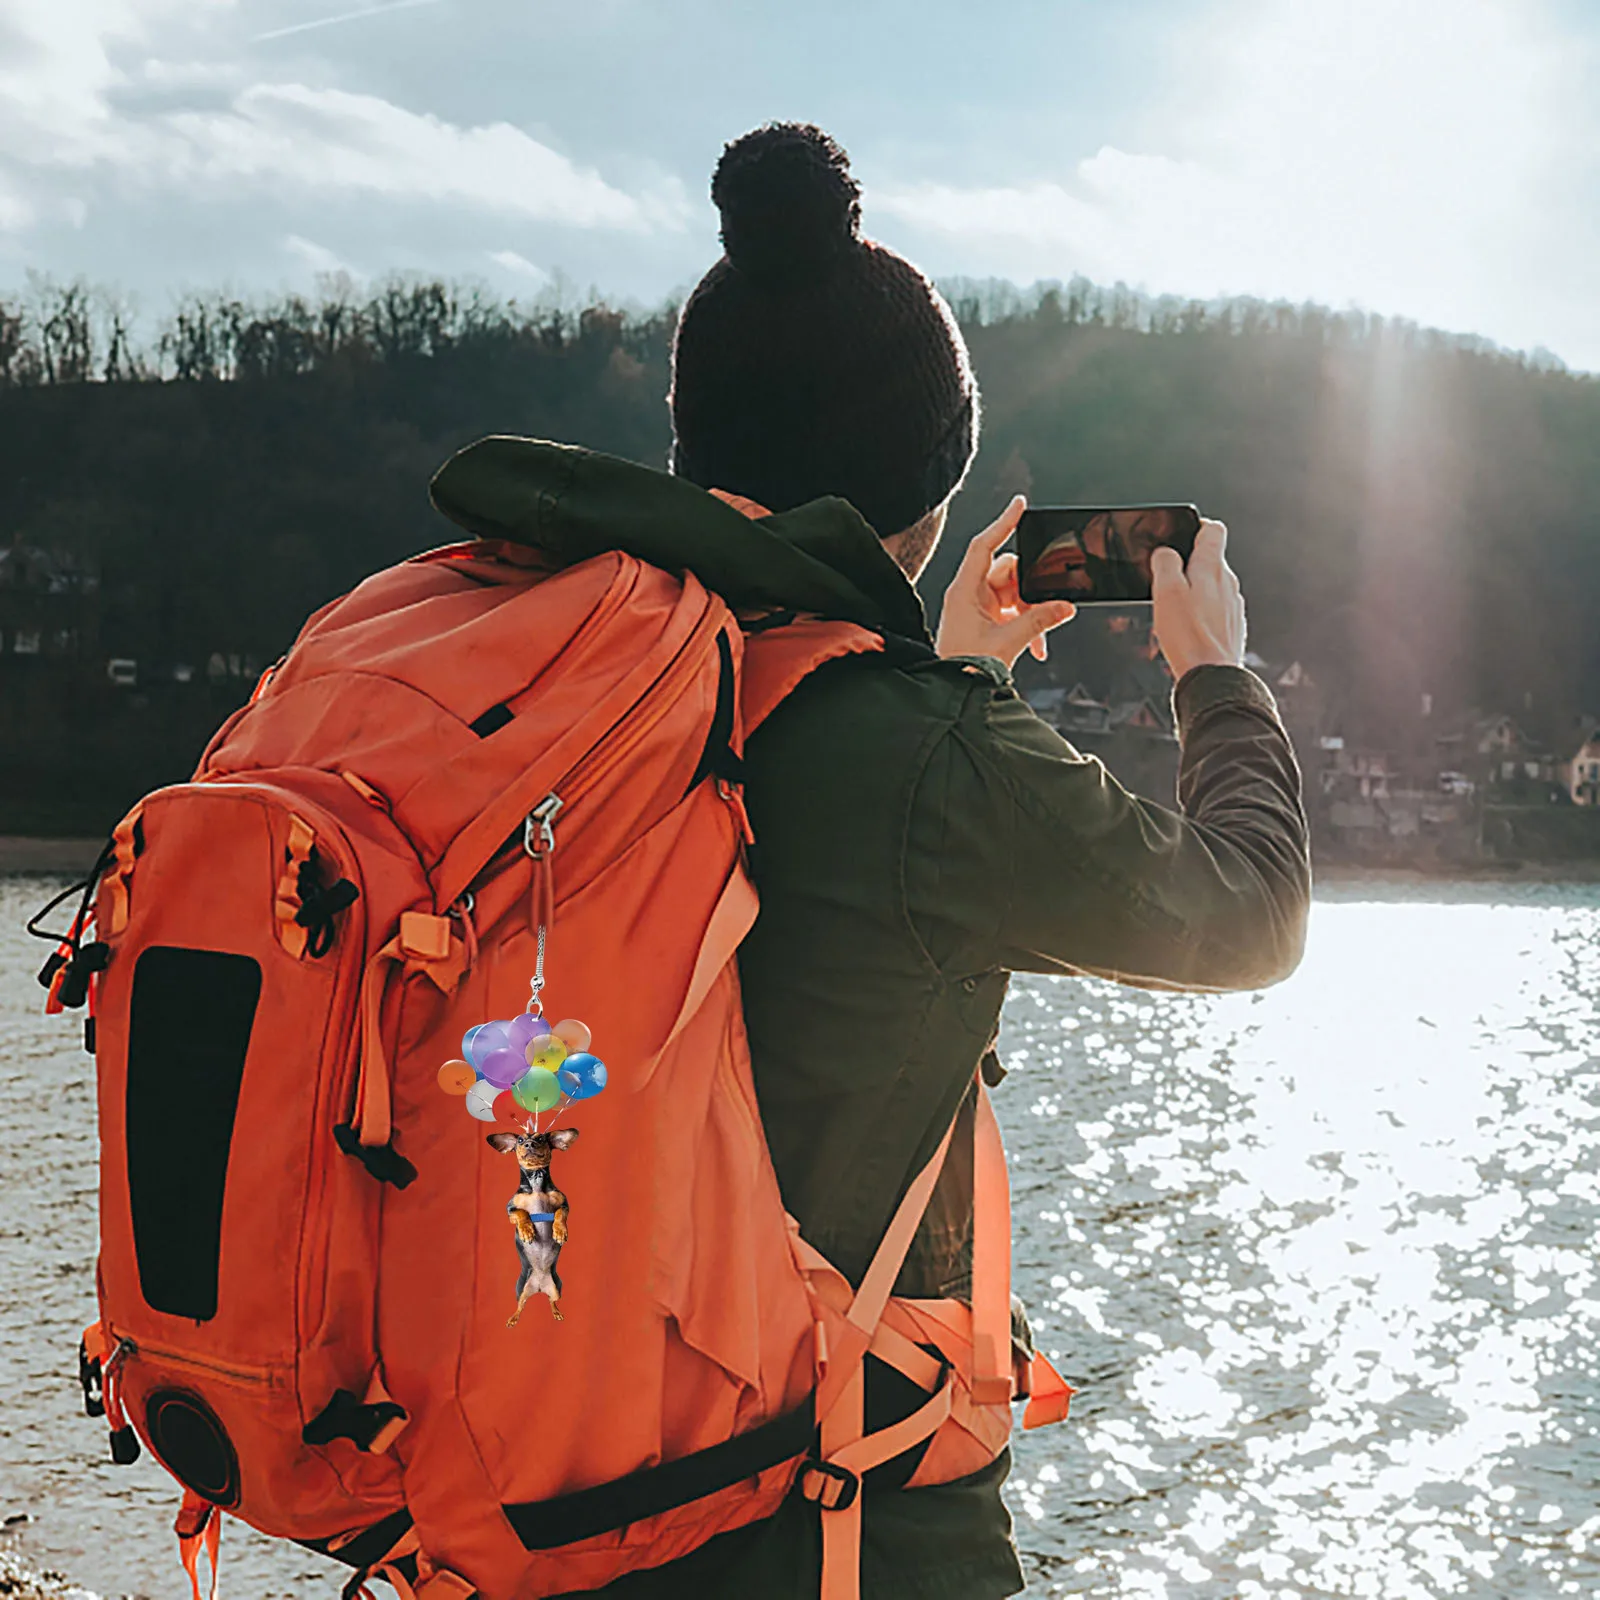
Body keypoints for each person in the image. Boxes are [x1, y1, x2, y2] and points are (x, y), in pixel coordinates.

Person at [565, 122, 1310, 1598]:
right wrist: (1216, 678)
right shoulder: (926, 759)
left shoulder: (595, 690)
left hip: (559, 1499)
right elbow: (1252, 916)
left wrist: (954, 672)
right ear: (924, 490)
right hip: (830, 1530)